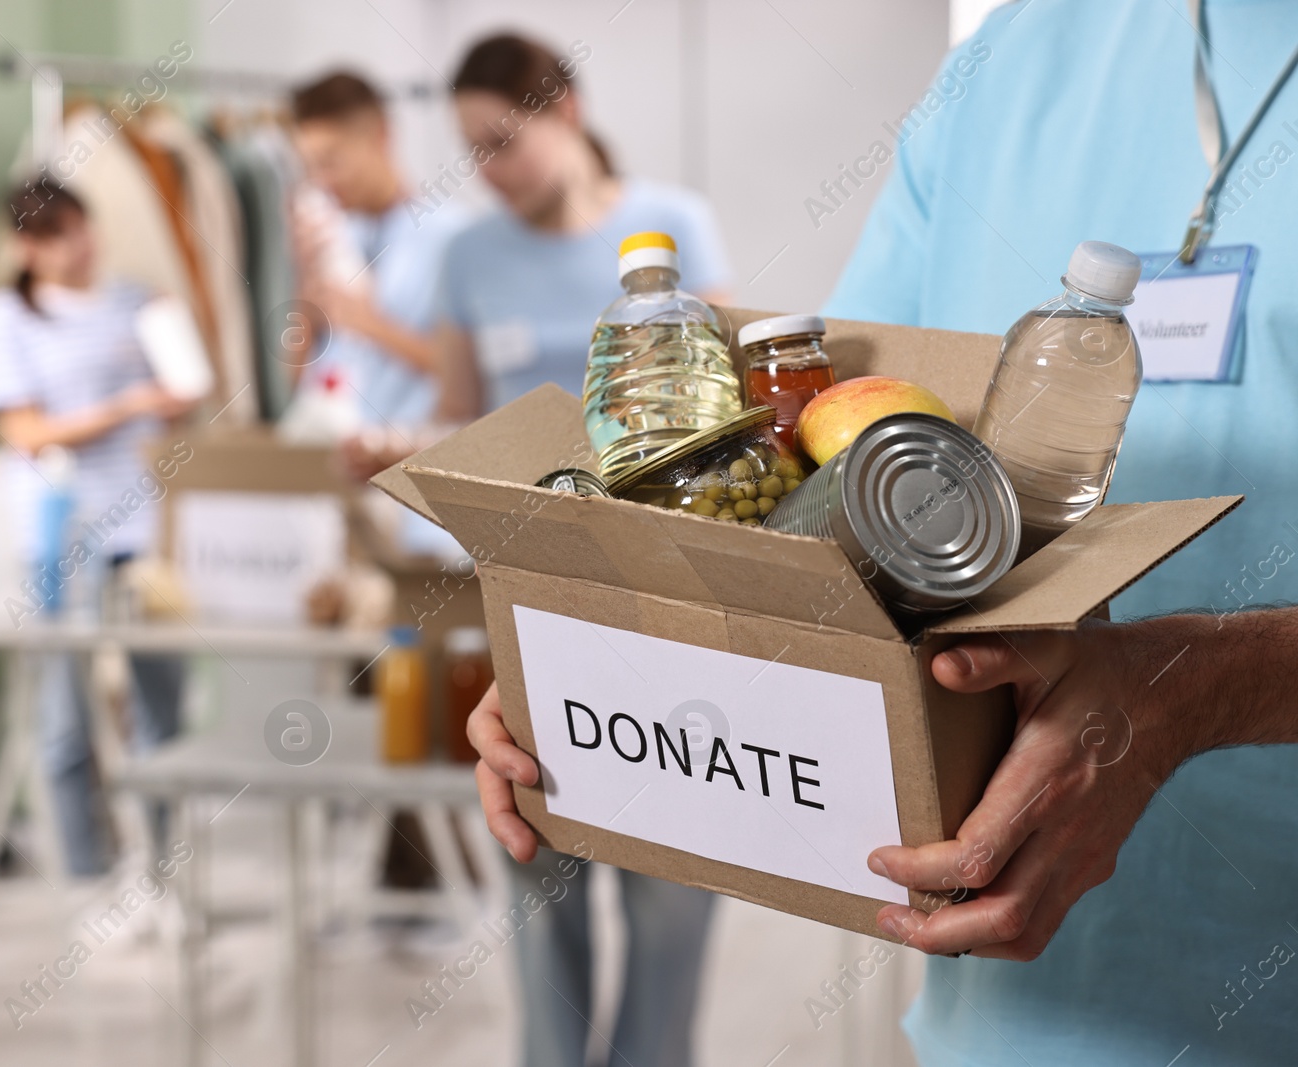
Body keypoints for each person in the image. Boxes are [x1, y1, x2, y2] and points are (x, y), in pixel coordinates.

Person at [473, 3, 1298, 1064]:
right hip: (994, 1017)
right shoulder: (1010, 60)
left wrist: (1194, 690)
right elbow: (813, 492)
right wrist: (604, 619)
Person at [437, 33, 731, 1067]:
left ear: (565, 108)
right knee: (538, 882)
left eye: (502, 139)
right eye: (470, 150)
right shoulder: (467, 257)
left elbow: (723, 432)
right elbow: (456, 435)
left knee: (673, 894)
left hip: (670, 619)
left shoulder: (674, 229)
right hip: (527, 620)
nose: (489, 169)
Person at [0, 182, 195, 877]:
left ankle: (162, 871)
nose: (78, 244)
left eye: (82, 225)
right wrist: (127, 403)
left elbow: (182, 406)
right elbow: (25, 431)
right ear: (27, 247)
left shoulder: (135, 302)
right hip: (61, 533)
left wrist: (179, 374)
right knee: (66, 716)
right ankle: (88, 878)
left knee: (164, 708)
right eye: (58, 234)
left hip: (146, 529)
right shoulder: (4, 317)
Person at [288, 69, 469, 475]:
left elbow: (468, 376)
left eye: (331, 162)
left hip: (418, 478)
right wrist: (306, 305)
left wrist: (371, 324)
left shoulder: (451, 237)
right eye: (310, 167)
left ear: (380, 137)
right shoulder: (332, 237)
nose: (322, 181)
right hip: (336, 478)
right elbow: (296, 382)